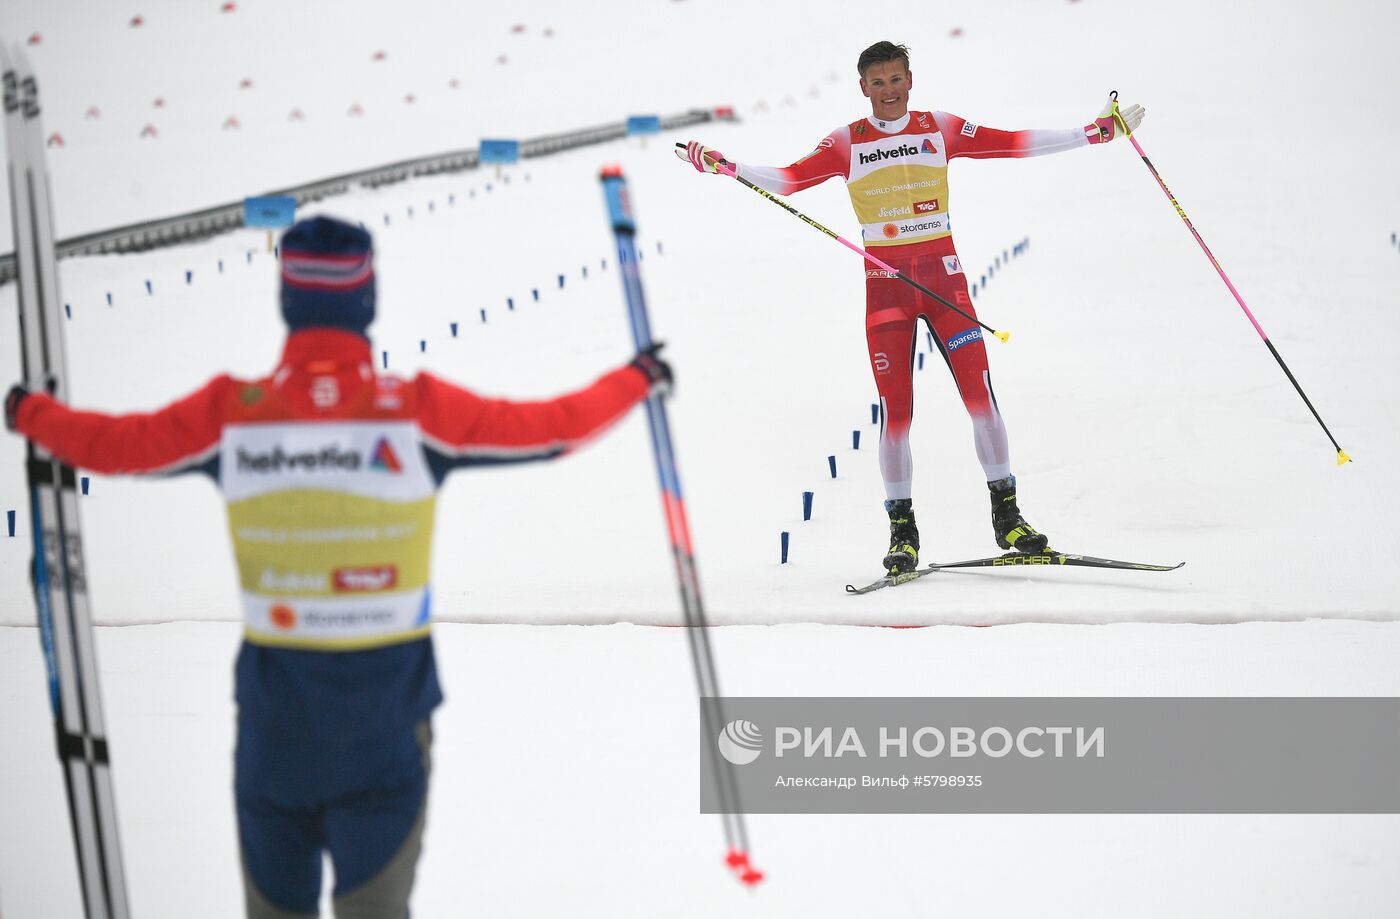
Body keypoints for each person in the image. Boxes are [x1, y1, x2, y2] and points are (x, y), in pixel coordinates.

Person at [5, 216, 670, 918]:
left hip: (275, 735)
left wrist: (31, 413)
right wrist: (639, 377)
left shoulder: (237, 413)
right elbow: (556, 425)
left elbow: (116, 445)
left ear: (287, 301)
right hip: (385, 734)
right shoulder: (413, 412)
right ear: (367, 299)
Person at [683, 40, 1145, 574]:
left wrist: (1093, 133)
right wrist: (725, 166)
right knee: (896, 413)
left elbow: (1010, 144)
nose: (887, 91)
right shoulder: (846, 141)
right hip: (886, 292)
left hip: (946, 285)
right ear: (863, 88)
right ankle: (903, 534)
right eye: (876, 83)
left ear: (910, 80)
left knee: (981, 399)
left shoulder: (937, 126)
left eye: (895, 80)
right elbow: (789, 179)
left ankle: (1009, 518)